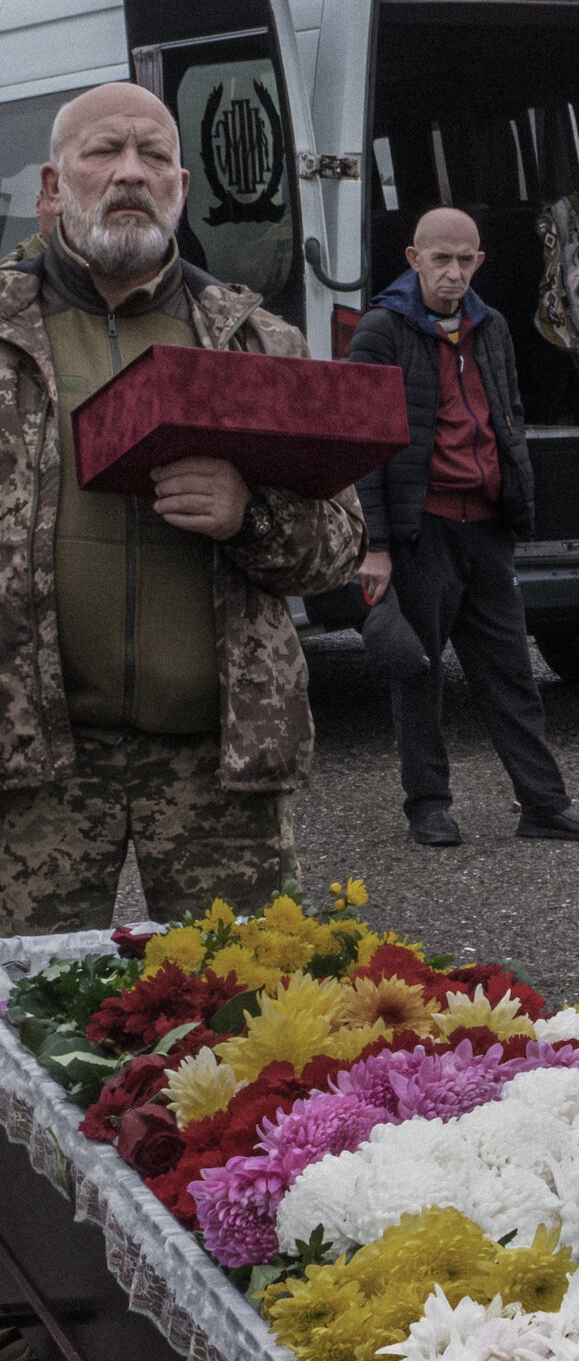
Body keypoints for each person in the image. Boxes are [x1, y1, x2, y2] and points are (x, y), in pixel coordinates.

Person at [0, 83, 365, 935]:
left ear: (181, 187)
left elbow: (342, 546)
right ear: (54, 184)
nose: (129, 172)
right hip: (31, 762)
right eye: (103, 152)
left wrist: (250, 514)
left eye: (152, 156)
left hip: (215, 762)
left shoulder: (257, 343)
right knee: (17, 1025)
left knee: (243, 1023)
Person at [348, 208, 579, 848]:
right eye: (441, 259)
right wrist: (376, 547)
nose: (454, 272)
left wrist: (517, 504)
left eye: (466, 260)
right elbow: (364, 446)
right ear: (413, 260)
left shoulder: (489, 326)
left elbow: (509, 415)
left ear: (480, 262)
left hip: (486, 529)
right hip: (422, 531)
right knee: (419, 675)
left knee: (512, 675)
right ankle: (429, 806)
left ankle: (544, 805)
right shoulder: (380, 331)